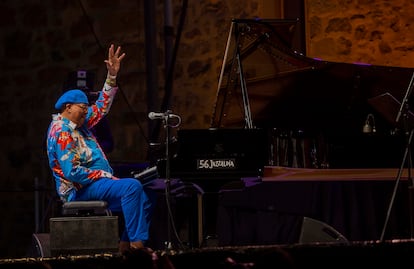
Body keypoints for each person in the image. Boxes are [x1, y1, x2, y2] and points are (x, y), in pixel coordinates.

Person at [46, 44, 153, 253]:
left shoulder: (81, 123)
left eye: (87, 108)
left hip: (95, 184)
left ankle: (124, 247)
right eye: (83, 108)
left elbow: (102, 106)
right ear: (68, 107)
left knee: (147, 196)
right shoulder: (61, 130)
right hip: (79, 190)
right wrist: (104, 175)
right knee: (131, 187)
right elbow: (72, 172)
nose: (87, 112)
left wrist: (111, 76)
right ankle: (137, 247)